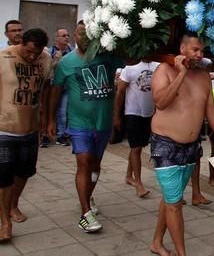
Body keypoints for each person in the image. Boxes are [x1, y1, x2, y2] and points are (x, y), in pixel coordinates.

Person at [149, 32, 214, 256]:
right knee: (175, 204)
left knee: (172, 198)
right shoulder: (163, 70)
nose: (200, 54)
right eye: (195, 50)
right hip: (165, 145)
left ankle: (157, 242)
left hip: (191, 147)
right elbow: (161, 102)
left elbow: (210, 111)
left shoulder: (205, 77)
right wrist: (180, 74)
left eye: (202, 50)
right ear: (182, 49)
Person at [49, 23, 123, 233]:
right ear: (74, 35)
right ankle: (85, 213)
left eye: (89, 34)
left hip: (103, 123)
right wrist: (51, 121)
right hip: (79, 123)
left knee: (95, 164)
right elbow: (55, 92)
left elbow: (132, 60)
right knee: (83, 163)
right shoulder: (66, 62)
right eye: (81, 33)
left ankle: (88, 196)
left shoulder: (107, 57)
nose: (85, 38)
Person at [0, 28, 52, 242]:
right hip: (4, 128)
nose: (32, 57)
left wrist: (48, 119)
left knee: (24, 173)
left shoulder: (46, 59)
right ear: (22, 42)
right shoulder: (4, 58)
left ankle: (13, 205)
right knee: (3, 178)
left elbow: (47, 90)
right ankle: (5, 222)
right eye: (29, 52)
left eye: (36, 53)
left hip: (30, 129)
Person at [113, 58, 160, 198]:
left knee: (138, 146)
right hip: (132, 113)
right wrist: (116, 116)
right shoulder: (129, 68)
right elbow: (120, 92)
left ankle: (128, 175)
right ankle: (138, 183)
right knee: (136, 148)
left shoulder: (157, 66)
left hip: (149, 114)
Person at [47, 28, 73, 147]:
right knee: (52, 110)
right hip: (54, 86)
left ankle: (63, 134)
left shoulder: (72, 51)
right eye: (63, 35)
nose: (66, 37)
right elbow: (48, 69)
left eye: (67, 35)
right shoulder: (49, 51)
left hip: (68, 86)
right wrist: (56, 61)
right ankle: (51, 133)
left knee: (64, 111)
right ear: (56, 38)